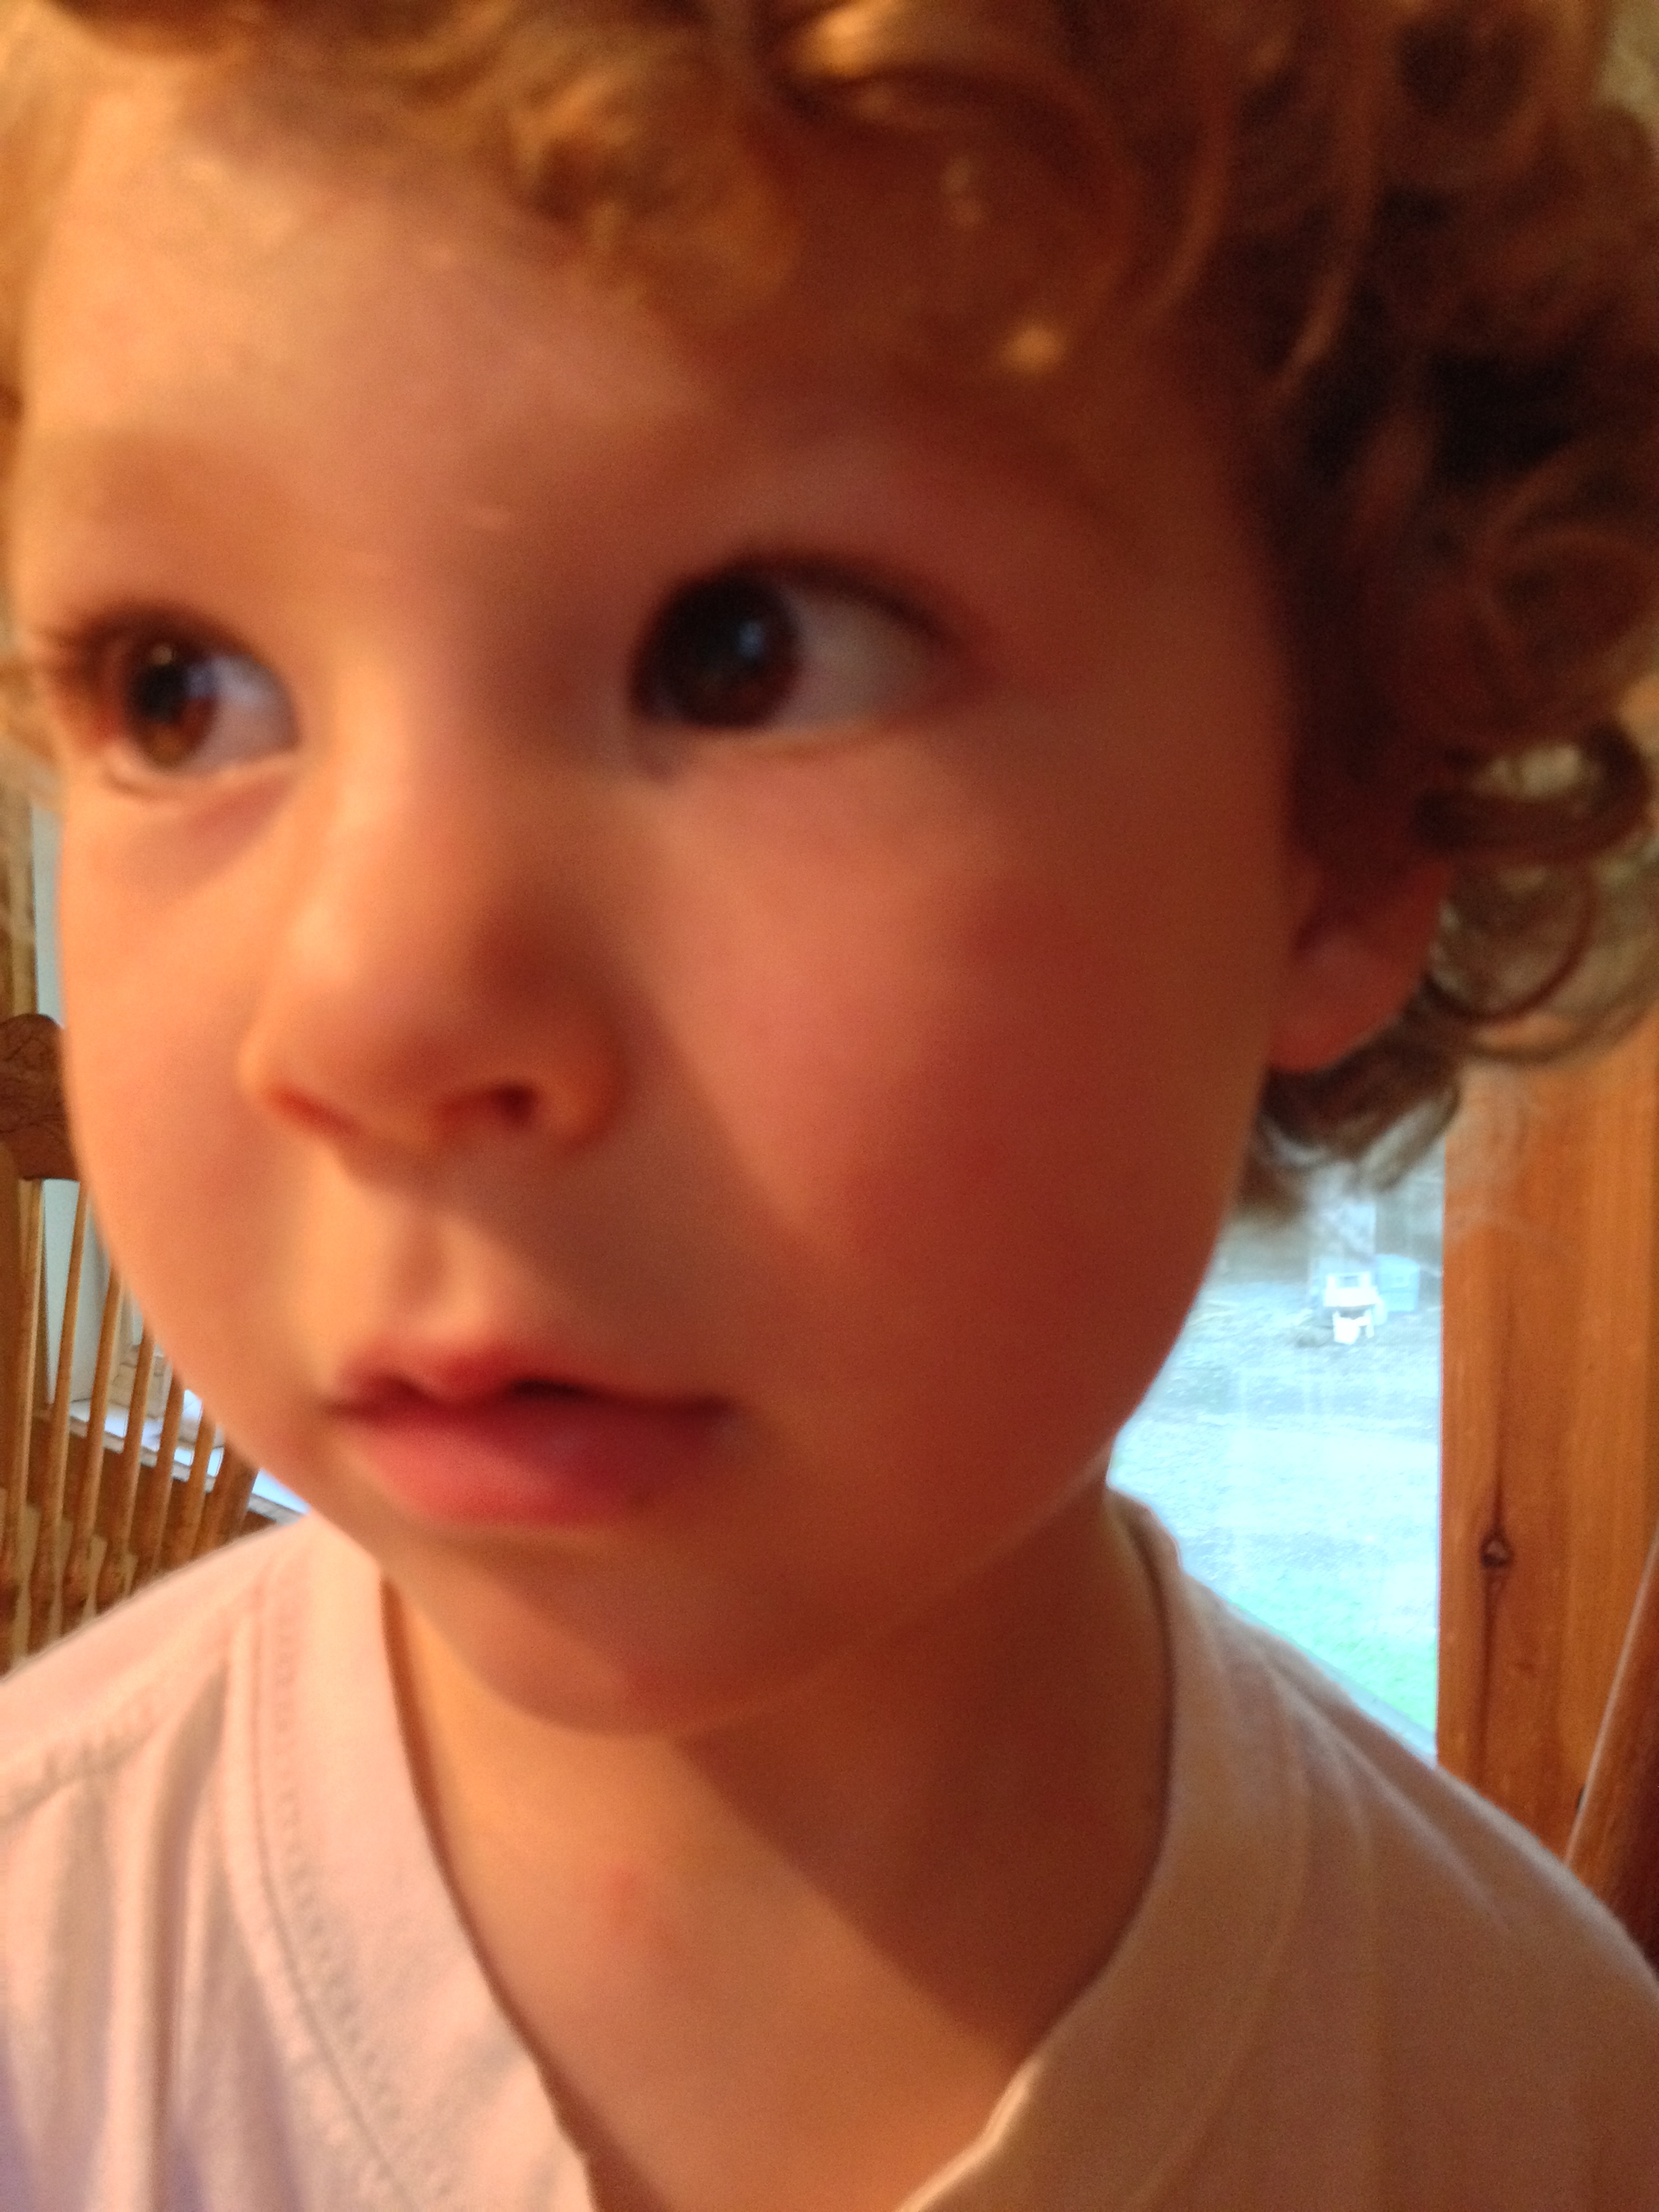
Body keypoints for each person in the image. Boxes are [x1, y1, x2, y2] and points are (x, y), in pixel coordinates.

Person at [0, 0, 1656, 2205]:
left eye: (746, 650)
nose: (363, 1014)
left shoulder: (1536, 2109)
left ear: (1338, 824)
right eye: (178, 691)